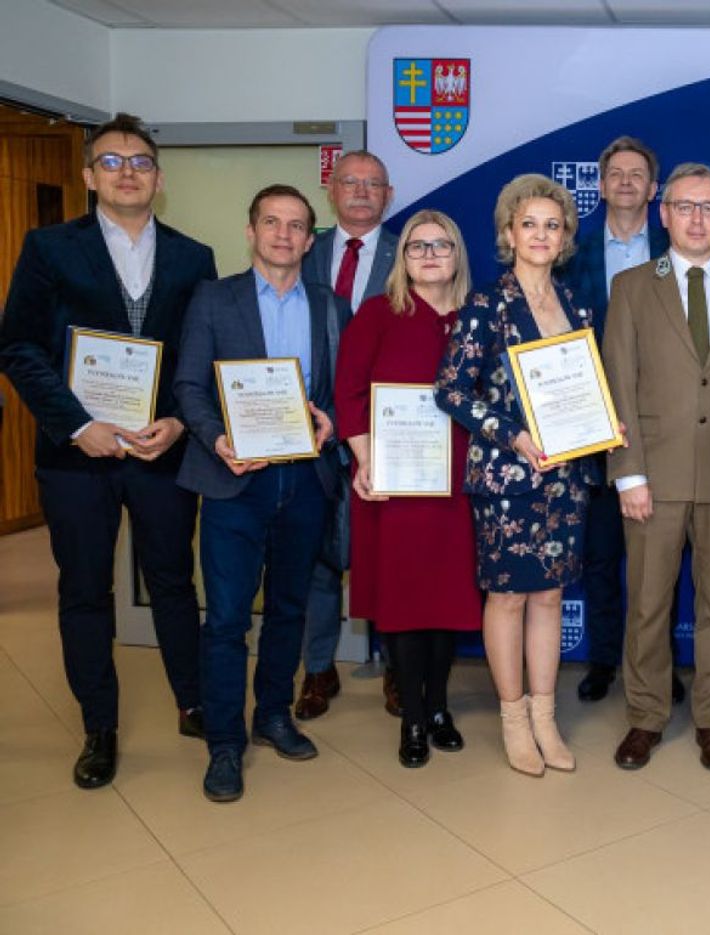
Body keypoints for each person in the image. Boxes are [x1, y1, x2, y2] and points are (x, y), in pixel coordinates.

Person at [0, 113, 216, 789]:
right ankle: (100, 726)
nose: (128, 172)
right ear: (90, 176)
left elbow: (198, 355)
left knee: (173, 581)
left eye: (141, 162)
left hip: (160, 452)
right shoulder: (48, 248)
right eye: (113, 162)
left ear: (159, 177)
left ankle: (193, 702)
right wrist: (76, 424)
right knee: (85, 590)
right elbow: (17, 346)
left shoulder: (193, 257)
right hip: (77, 457)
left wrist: (179, 422)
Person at [174, 185, 349, 803]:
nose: (283, 234)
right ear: (251, 231)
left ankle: (272, 714)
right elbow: (188, 386)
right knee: (226, 618)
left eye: (296, 225)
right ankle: (224, 741)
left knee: (289, 609)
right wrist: (218, 439)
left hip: (304, 480)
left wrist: (330, 423)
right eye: (271, 222)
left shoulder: (332, 306)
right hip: (234, 480)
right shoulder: (213, 299)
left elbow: (341, 392)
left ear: (309, 240)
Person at [603, 162, 710, 772]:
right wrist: (629, 473)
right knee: (648, 605)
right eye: (685, 207)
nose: (698, 219)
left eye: (709, 208)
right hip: (654, 473)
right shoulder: (632, 287)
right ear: (664, 213)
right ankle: (645, 718)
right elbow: (618, 382)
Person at [436, 174, 598, 776]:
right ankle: (513, 720)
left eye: (552, 225)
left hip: (565, 476)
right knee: (507, 598)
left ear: (565, 237)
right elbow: (451, 390)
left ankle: (545, 718)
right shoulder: (486, 304)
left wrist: (601, 425)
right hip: (508, 477)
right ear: (509, 232)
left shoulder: (577, 304)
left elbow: (584, 386)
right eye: (529, 223)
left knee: (551, 596)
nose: (541, 234)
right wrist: (513, 435)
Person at [335, 209, 480, 768]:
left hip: (459, 487)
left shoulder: (476, 315)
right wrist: (366, 460)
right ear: (403, 257)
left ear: (457, 255)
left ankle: (439, 707)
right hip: (394, 485)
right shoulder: (378, 314)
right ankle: (412, 718)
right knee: (404, 603)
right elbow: (349, 392)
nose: (429, 254)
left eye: (441, 245)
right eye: (418, 246)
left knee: (447, 601)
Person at [559, 136, 681, 706]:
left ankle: (659, 664)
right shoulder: (570, 253)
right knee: (603, 555)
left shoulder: (677, 249)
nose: (627, 182)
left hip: (664, 426)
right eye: (616, 174)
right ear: (601, 185)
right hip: (591, 427)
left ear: (654, 189)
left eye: (638, 174)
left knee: (661, 559)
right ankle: (605, 659)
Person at [296, 150, 400, 721]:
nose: (361, 191)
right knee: (317, 556)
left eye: (373, 183)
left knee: (388, 555)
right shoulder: (301, 248)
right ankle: (318, 668)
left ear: (389, 195)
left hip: (387, 432)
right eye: (350, 182)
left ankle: (397, 669)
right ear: (331, 191)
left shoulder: (409, 252)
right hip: (312, 429)